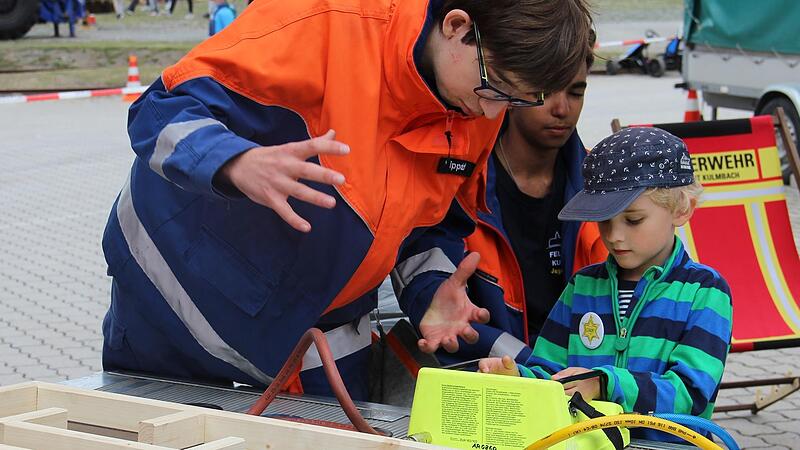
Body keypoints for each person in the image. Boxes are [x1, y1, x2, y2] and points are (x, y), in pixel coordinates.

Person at [101, 0, 594, 401]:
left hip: (318, 332)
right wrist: (234, 162)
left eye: (512, 101)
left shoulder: (480, 103)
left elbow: (429, 228)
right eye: (493, 89)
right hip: (176, 304)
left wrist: (433, 291)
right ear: (457, 25)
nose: (491, 111)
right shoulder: (326, 20)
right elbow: (159, 111)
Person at [478, 127, 733, 443]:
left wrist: (605, 383)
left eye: (633, 219)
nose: (614, 236)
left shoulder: (705, 292)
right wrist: (519, 379)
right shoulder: (583, 286)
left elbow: (690, 395)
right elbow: (550, 373)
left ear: (681, 209)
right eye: (604, 221)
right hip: (586, 444)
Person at [392, 30, 606, 367]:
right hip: (488, 378)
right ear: (511, 84)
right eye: (545, 91)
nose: (562, 108)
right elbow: (423, 274)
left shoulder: (606, 187)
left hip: (584, 380)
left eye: (576, 92)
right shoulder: (458, 181)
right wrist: (529, 363)